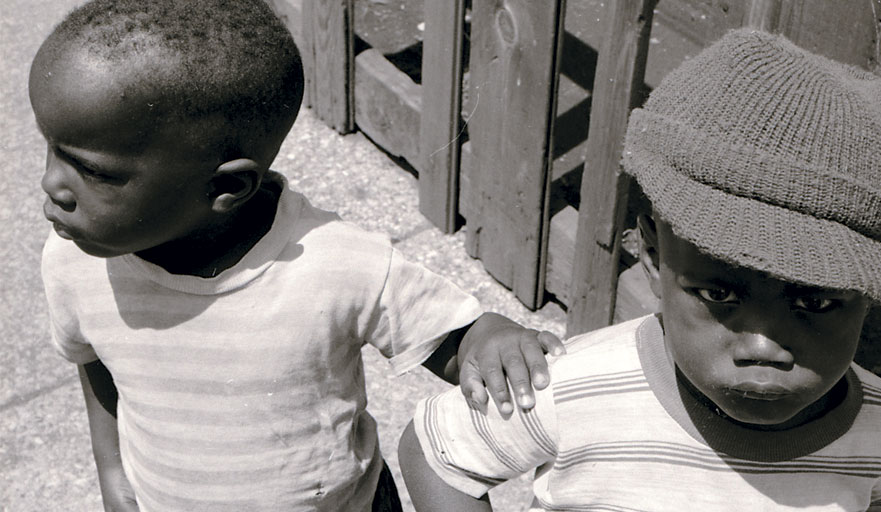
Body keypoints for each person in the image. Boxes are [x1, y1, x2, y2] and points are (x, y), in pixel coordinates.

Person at [31, 1, 561, 510]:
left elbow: (457, 337)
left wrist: (492, 341)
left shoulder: (334, 265)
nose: (52, 183)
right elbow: (94, 358)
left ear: (227, 187)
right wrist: (113, 473)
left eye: (93, 171)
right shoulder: (76, 262)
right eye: (52, 147)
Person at [399, 29, 881, 511]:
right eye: (719, 293)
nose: (764, 345)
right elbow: (435, 453)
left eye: (816, 303)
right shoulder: (573, 391)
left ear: (866, 293)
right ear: (654, 256)